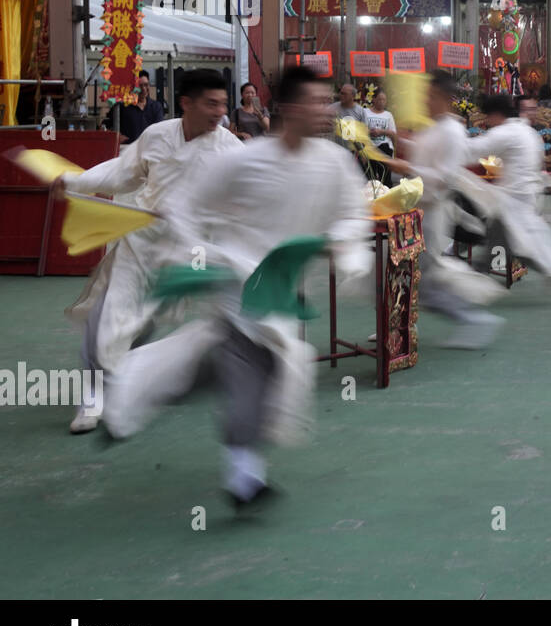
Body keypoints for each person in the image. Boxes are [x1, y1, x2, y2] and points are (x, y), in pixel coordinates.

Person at [103, 66, 373, 508]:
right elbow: (186, 209)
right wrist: (196, 257)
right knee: (253, 367)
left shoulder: (334, 163)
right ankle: (244, 479)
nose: (324, 110)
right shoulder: (244, 160)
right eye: (316, 101)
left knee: (249, 367)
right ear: (288, 107)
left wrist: (340, 245)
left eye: (326, 101)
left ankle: (141, 388)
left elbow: (352, 213)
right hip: (239, 284)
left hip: (283, 291)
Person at [54, 69, 241, 433]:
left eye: (223, 104)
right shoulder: (156, 136)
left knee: (143, 323)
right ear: (187, 103)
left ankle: (125, 383)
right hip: (142, 238)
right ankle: (92, 397)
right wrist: (74, 182)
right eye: (212, 103)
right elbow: (121, 172)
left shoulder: (230, 149)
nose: (220, 111)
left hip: (187, 250)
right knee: (109, 314)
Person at [387, 72, 506, 346]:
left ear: (441, 96)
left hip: (432, 213)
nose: (424, 101)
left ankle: (474, 319)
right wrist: (403, 143)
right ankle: (396, 324)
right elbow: (424, 155)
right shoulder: (434, 127)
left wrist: (408, 167)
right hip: (416, 210)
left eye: (428, 96)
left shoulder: (453, 131)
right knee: (407, 274)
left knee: (426, 283)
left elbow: (446, 177)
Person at [473, 94, 551, 282]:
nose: (488, 121)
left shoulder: (505, 132)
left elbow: (473, 150)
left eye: (488, 117)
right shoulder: (527, 132)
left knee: (522, 243)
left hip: (514, 197)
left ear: (495, 114)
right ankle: (484, 265)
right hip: (524, 194)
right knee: (506, 234)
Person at [104, 71, 166, 145]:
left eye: (146, 85)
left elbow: (160, 130)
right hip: (128, 150)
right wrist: (116, 137)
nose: (143, 89)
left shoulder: (156, 107)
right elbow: (104, 126)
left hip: (150, 149)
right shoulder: (122, 106)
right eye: (140, 86)